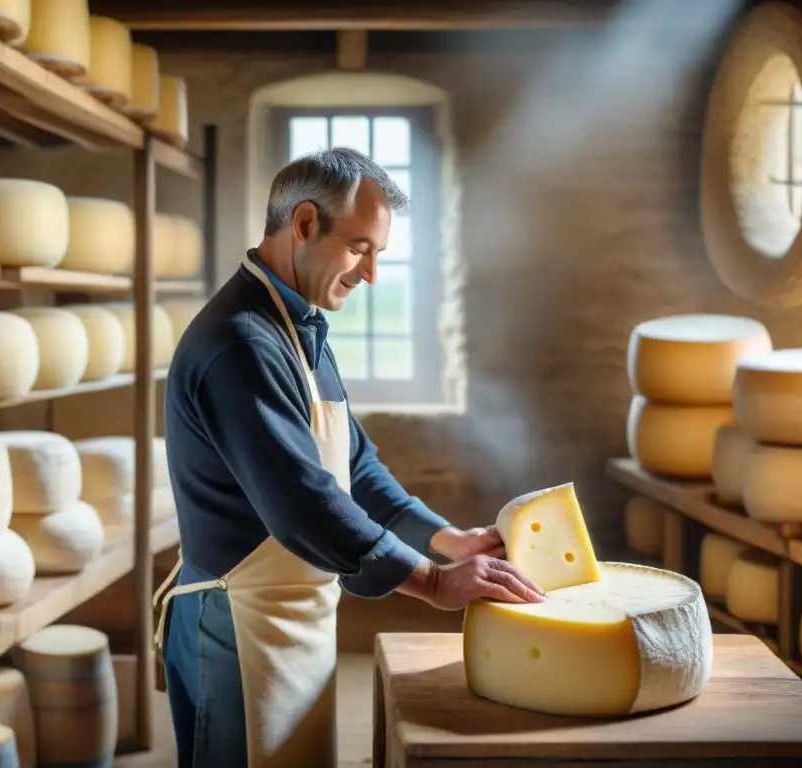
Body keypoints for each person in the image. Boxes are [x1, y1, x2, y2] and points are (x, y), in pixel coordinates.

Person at [153, 146, 545, 768]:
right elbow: (304, 507)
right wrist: (433, 583)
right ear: (304, 224)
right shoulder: (240, 344)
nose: (371, 275)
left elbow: (354, 468)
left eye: (379, 254)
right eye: (361, 248)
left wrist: (450, 541)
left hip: (293, 617)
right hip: (236, 625)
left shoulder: (299, 325)